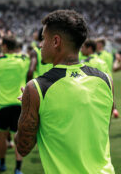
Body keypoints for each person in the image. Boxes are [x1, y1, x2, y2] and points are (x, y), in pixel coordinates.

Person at [15, 10, 115, 173]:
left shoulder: (36, 88)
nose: (40, 44)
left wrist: (28, 107)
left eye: (43, 38)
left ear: (55, 41)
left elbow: (22, 147)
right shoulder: (106, 80)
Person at [0, 36, 28, 174]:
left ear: (3, 46)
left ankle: (2, 164)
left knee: (2, 137)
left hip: (1, 105)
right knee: (18, 137)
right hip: (18, 103)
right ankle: (18, 169)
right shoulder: (23, 60)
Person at [96, 37, 119, 118]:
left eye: (97, 43)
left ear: (101, 45)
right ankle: (114, 109)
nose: (96, 45)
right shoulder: (106, 54)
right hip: (106, 78)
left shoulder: (104, 55)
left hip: (103, 78)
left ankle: (111, 110)